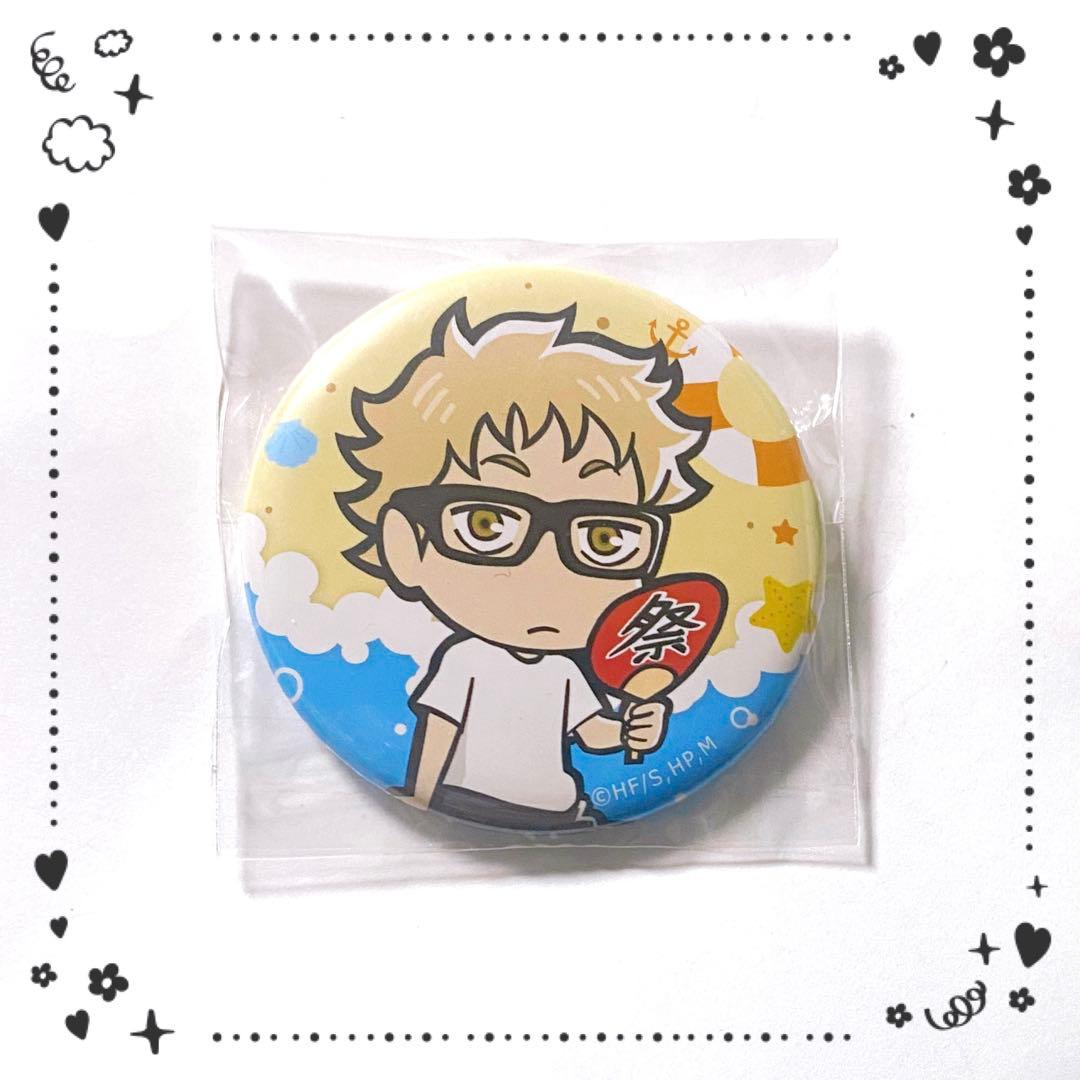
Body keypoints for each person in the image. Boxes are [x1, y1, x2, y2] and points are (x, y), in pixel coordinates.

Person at [336, 299, 712, 829]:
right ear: (406, 545)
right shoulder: (465, 660)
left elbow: (592, 733)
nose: (548, 571)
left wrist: (634, 731)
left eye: (604, 538)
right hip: (467, 799)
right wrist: (420, 796)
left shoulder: (565, 670)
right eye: (486, 524)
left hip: (564, 810)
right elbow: (438, 731)